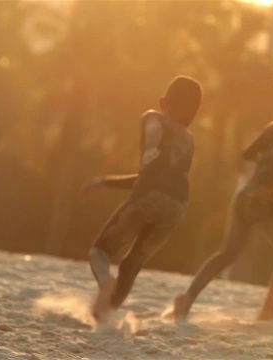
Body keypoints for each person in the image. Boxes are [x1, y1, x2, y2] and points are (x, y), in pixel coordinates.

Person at [173, 84, 273, 321]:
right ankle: (268, 311)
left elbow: (248, 154)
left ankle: (186, 299)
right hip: (263, 204)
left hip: (244, 196)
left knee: (226, 253)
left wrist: (265, 161)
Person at [82, 76, 202, 322]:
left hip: (148, 197)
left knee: (99, 252)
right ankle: (106, 314)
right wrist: (106, 181)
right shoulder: (189, 140)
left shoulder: (153, 117)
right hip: (178, 207)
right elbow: (153, 178)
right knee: (132, 265)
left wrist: (150, 149)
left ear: (163, 101)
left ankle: (106, 284)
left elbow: (153, 135)